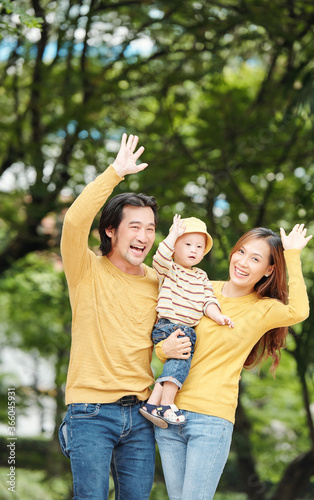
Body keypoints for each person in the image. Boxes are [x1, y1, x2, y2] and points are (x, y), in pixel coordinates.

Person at [154, 223, 312, 500]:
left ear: (269, 270)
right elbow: (167, 332)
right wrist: (162, 350)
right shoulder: (201, 287)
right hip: (168, 414)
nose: (243, 262)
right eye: (241, 252)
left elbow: (299, 310)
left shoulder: (264, 309)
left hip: (211, 421)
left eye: (255, 259)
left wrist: (293, 254)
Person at [58, 133, 162, 500]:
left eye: (150, 228)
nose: (144, 236)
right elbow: (73, 223)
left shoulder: (157, 281)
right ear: (110, 230)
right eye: (135, 226)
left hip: (141, 416)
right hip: (90, 413)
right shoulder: (86, 268)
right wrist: (115, 172)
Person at [140, 214, 233, 428]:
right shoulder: (169, 269)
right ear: (175, 247)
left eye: (199, 247)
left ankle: (152, 404)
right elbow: (159, 259)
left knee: (175, 365)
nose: (193, 250)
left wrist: (217, 315)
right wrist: (172, 235)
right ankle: (167, 405)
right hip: (169, 326)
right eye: (188, 244)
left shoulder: (201, 276)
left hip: (187, 329)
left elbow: (208, 300)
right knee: (180, 366)